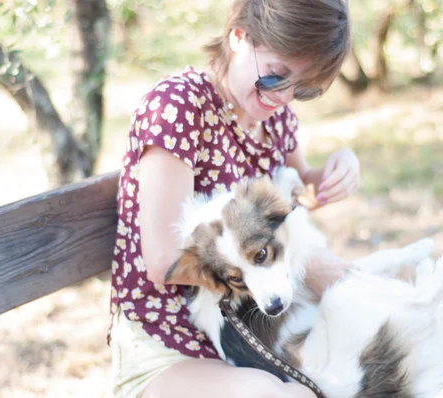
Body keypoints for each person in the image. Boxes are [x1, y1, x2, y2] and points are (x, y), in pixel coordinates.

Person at [108, 0, 359, 396]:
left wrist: (337, 170)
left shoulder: (273, 119)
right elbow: (163, 263)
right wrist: (301, 267)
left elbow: (299, 198)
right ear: (239, 36)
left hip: (258, 335)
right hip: (170, 347)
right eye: (278, 76)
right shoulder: (178, 108)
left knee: (398, 333)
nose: (284, 97)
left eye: (304, 88)